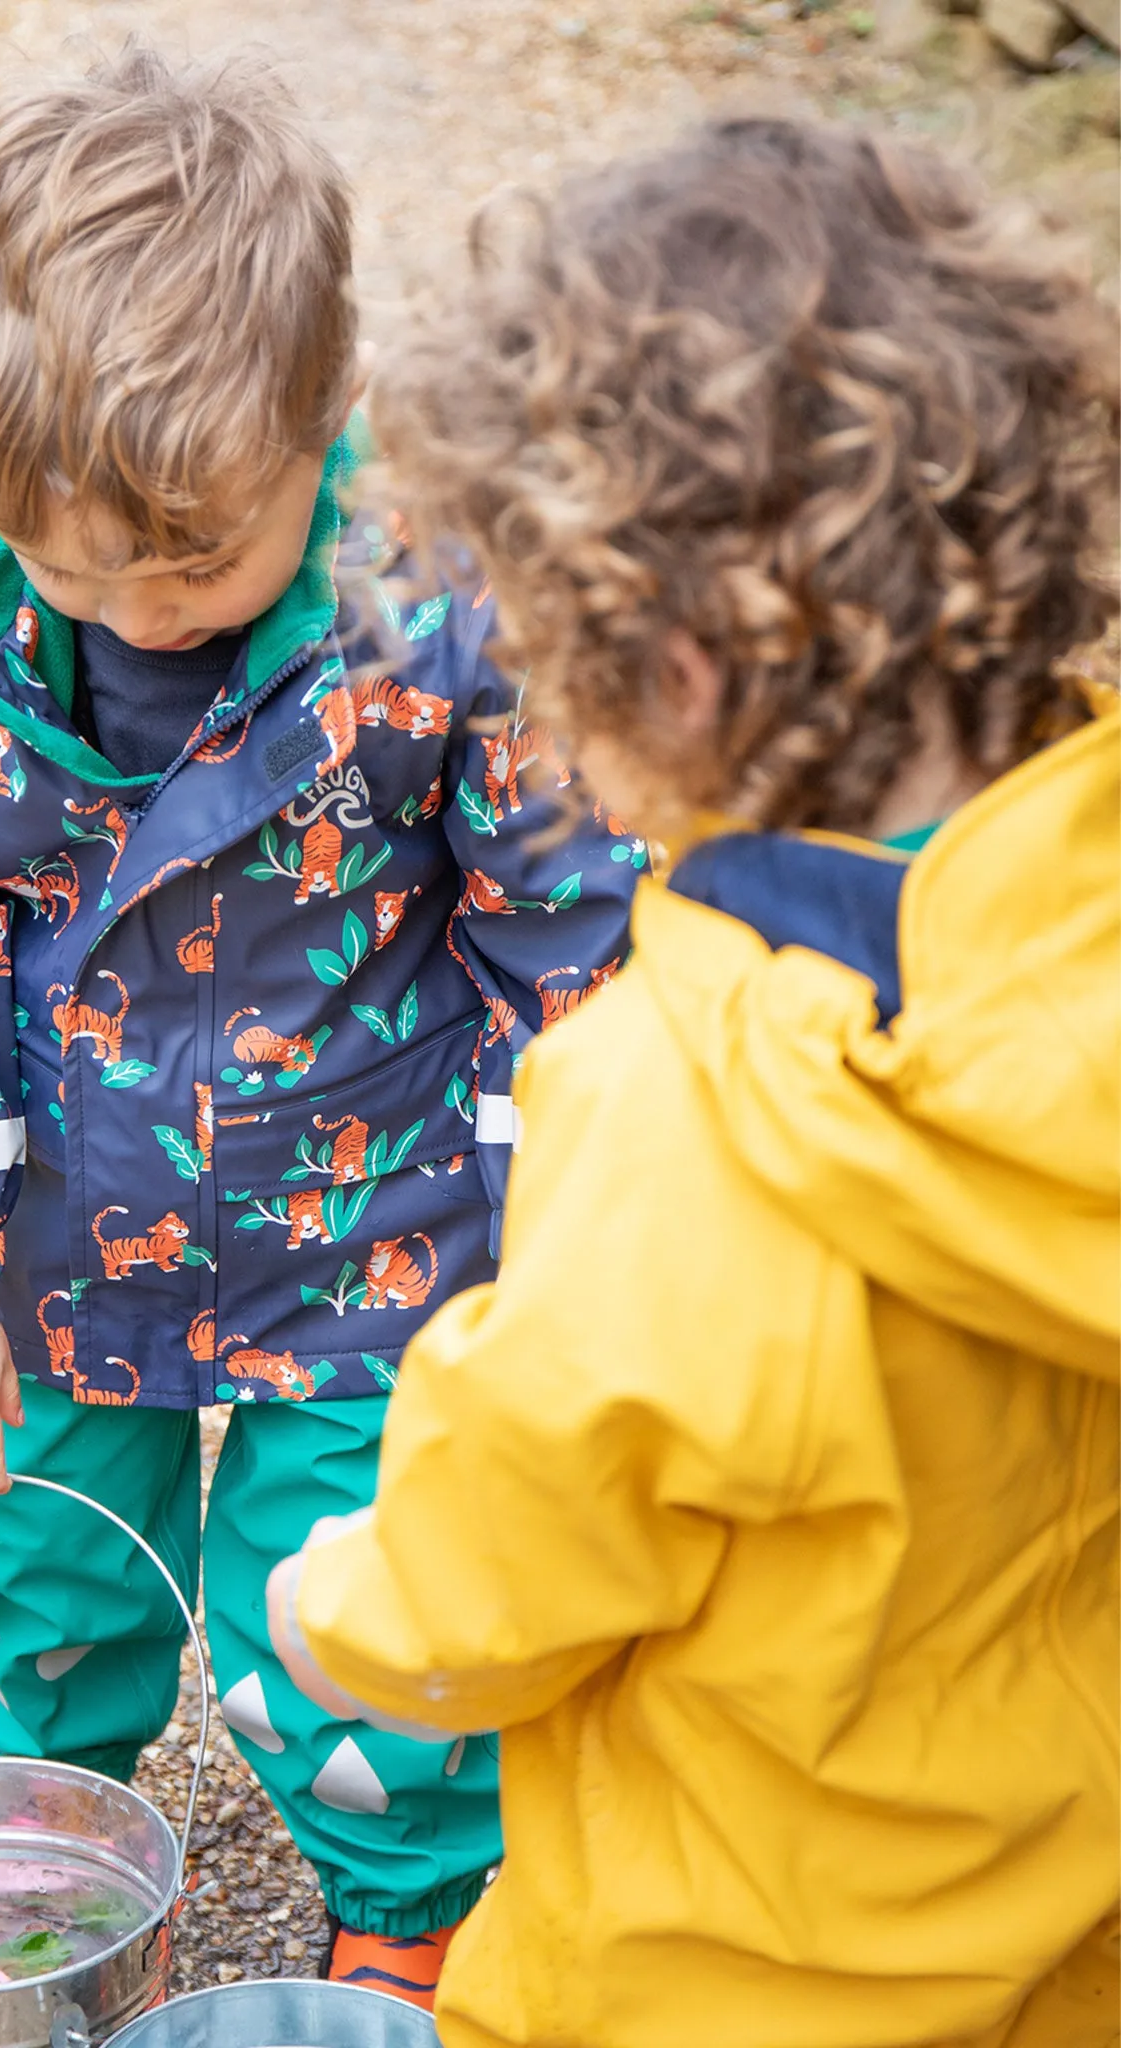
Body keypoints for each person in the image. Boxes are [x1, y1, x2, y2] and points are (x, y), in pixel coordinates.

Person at [268, 117, 1120, 2047]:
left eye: (544, 656)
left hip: (728, 1972)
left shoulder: (692, 1104)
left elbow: (533, 1509)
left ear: (675, 674)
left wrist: (353, 1607)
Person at [0, 44, 638, 2004]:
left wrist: (581, 1218)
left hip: (369, 1242)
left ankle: (407, 1898)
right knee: (38, 1578)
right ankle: (50, 1870)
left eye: (199, 553)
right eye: (79, 559)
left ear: (322, 419)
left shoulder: (433, 621)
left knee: (345, 1601)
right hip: (58, 1242)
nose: (144, 604)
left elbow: (557, 920)